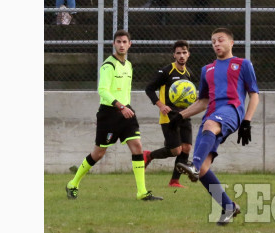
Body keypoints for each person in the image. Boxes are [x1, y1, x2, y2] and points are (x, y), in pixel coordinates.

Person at [171, 28, 260, 225]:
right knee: (203, 169)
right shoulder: (207, 70)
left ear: (231, 43)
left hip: (232, 109)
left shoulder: (242, 64)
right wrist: (181, 115)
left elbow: (254, 94)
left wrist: (247, 121)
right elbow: (202, 101)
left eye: (220, 40)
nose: (216, 44)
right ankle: (228, 206)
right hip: (211, 114)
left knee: (209, 128)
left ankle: (192, 165)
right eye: (213, 42)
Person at [66, 30, 163, 202]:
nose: (121, 45)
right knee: (99, 152)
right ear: (113, 44)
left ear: (129, 44)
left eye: (125, 42)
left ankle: (142, 192)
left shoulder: (129, 65)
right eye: (118, 41)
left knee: (137, 147)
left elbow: (125, 91)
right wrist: (120, 106)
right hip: (109, 113)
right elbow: (102, 90)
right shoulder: (108, 65)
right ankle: (73, 183)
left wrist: (125, 107)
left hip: (126, 112)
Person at [143, 40, 196, 188]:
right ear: (174, 54)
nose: (181, 55)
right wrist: (161, 105)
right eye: (178, 53)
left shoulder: (189, 73)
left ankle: (174, 181)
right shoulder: (166, 71)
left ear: (188, 54)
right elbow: (149, 89)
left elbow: (190, 94)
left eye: (184, 52)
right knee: (175, 150)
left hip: (185, 114)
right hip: (169, 116)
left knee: (186, 148)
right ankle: (149, 155)